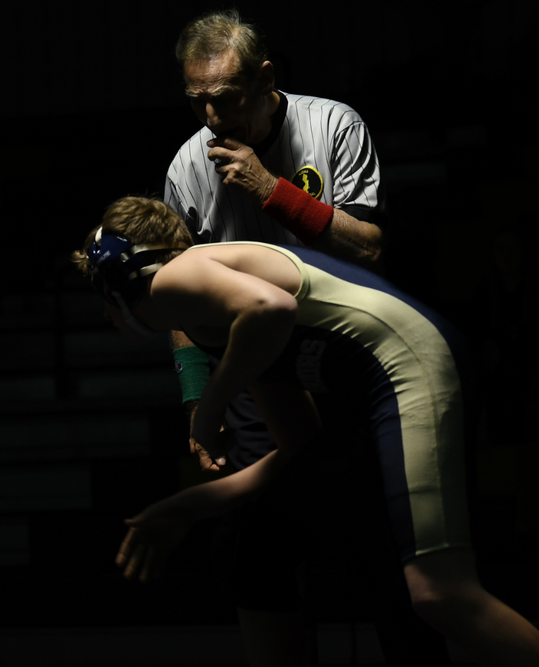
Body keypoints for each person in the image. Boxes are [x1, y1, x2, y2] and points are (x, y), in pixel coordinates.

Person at [74, 196, 539, 667]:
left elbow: (269, 307)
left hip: (407, 366)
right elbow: (302, 449)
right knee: (419, 593)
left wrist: (207, 407)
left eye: (99, 291)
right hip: (402, 373)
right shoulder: (215, 326)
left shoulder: (176, 276)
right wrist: (189, 505)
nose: (105, 313)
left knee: (441, 594)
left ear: (118, 275)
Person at [160, 10, 447, 665]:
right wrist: (196, 399)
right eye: (197, 101)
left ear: (264, 80)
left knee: (387, 564)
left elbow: (371, 248)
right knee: (252, 558)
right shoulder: (186, 167)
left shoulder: (333, 125)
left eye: (226, 99)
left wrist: (270, 188)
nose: (211, 118)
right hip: (259, 385)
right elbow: (177, 297)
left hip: (353, 369)